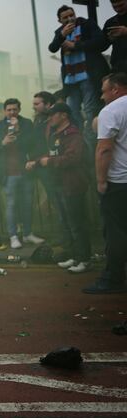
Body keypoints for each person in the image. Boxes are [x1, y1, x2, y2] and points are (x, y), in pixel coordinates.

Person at [27, 102, 91, 273]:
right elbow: (53, 154)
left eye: (53, 115)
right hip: (60, 184)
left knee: (77, 224)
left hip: (73, 184)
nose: (50, 118)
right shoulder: (57, 134)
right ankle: (74, 256)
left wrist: (50, 161)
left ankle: (84, 259)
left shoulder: (73, 134)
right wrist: (39, 161)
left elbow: (72, 158)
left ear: (64, 115)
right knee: (68, 224)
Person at [84, 72, 127, 294]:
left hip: (120, 182)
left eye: (104, 91)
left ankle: (113, 278)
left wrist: (101, 181)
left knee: (116, 232)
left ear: (116, 89)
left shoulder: (112, 110)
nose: (101, 97)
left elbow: (104, 149)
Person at [0, 99, 45, 249]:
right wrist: (2, 142)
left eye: (14, 109)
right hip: (8, 173)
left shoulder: (26, 124)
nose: (12, 112)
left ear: (19, 110)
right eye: (9, 110)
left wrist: (18, 132)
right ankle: (13, 236)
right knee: (11, 205)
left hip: (26, 171)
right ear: (5, 111)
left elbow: (34, 143)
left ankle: (27, 233)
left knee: (27, 204)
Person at [49, 5, 110, 129]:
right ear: (59, 21)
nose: (69, 19)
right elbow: (52, 48)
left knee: (90, 109)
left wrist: (75, 45)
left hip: (88, 74)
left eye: (72, 15)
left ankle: (91, 138)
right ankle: (78, 137)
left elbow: (100, 42)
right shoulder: (60, 32)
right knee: (72, 111)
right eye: (65, 17)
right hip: (71, 79)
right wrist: (62, 35)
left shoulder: (86, 24)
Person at [104, 0, 127, 74]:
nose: (118, 9)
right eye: (114, 7)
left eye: (121, 5)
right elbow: (102, 45)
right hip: (118, 68)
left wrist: (125, 32)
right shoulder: (110, 22)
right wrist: (109, 39)